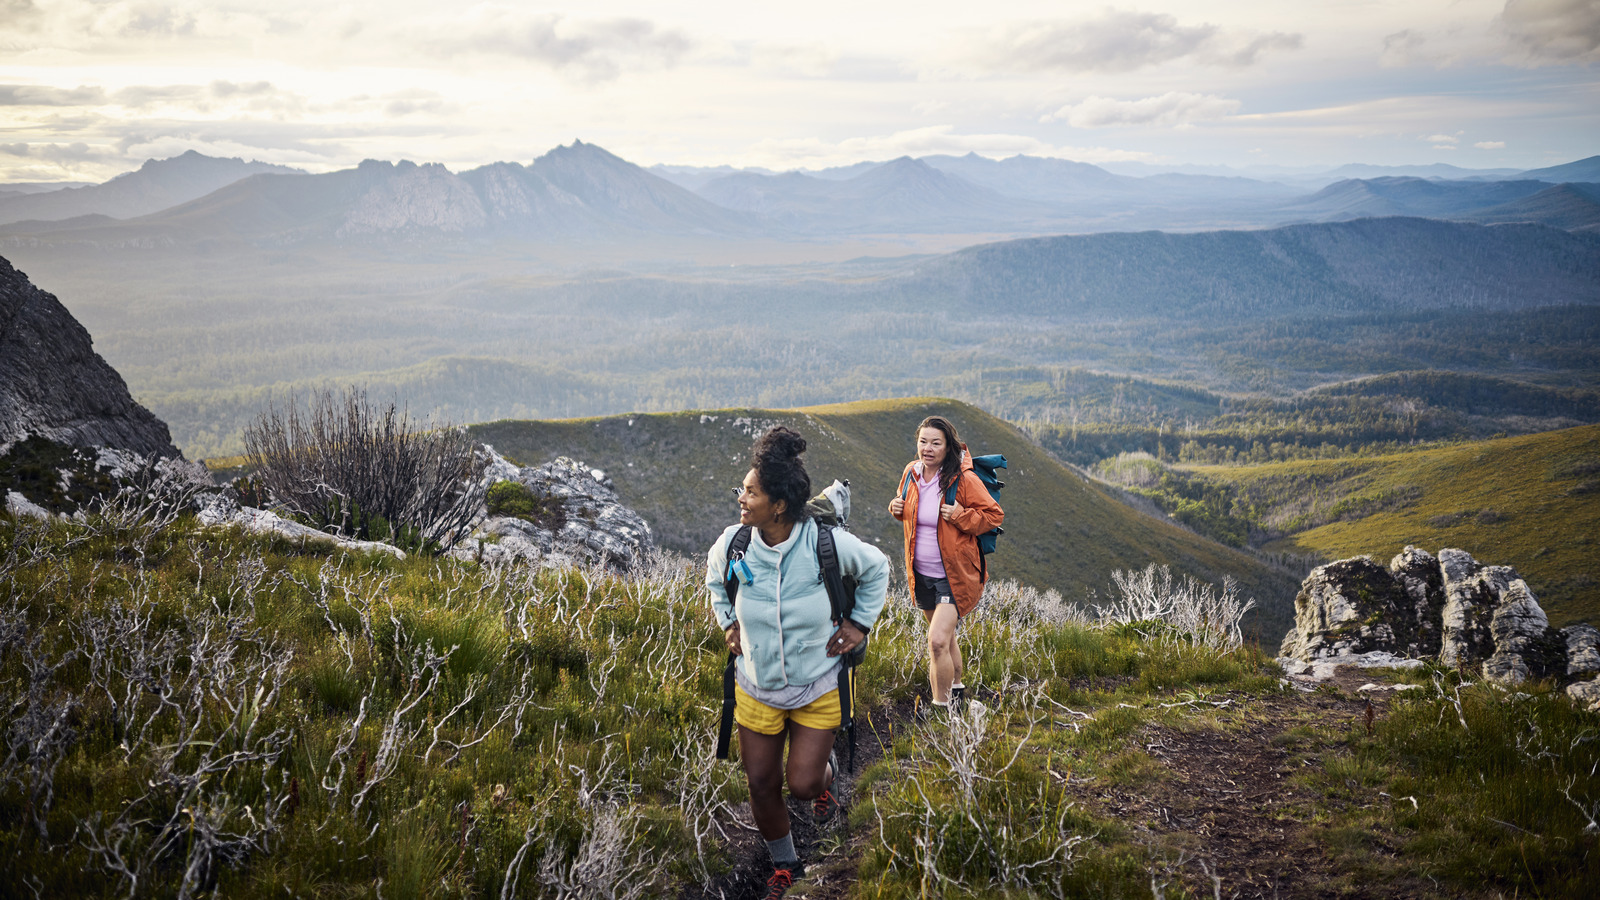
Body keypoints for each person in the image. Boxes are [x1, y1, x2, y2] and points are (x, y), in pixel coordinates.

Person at [707, 426, 890, 898]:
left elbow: (877, 567)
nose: (741, 499)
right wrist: (729, 623)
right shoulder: (735, 543)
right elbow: (714, 578)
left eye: (751, 492)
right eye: (742, 489)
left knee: (803, 784)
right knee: (761, 782)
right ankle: (785, 864)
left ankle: (824, 777)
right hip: (756, 685)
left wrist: (860, 625)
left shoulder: (821, 544)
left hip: (815, 685)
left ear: (779, 505)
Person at [887, 415, 1004, 713]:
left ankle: (940, 712)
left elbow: (993, 515)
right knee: (947, 639)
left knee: (937, 641)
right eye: (923, 441)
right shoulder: (911, 473)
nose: (928, 448)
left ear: (947, 446)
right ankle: (957, 697)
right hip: (921, 573)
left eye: (935, 443)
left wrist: (961, 516)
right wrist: (895, 508)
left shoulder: (962, 479)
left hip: (954, 576)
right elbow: (910, 510)